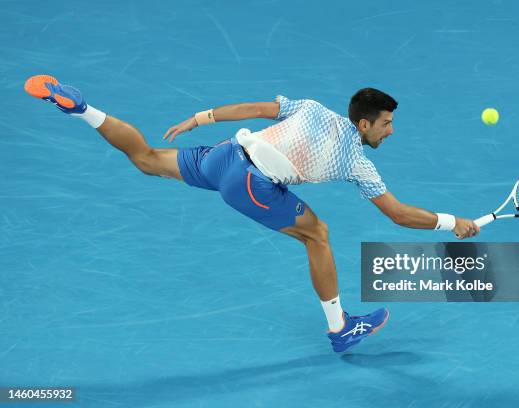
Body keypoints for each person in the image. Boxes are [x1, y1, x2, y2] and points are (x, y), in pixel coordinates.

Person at [24, 74, 479, 353]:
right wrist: (450, 221)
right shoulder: (357, 163)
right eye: (386, 123)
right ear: (364, 124)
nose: (391, 130)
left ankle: (82, 108)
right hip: (253, 185)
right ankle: (340, 328)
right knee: (317, 234)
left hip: (224, 156)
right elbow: (397, 215)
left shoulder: (312, 108)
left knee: (145, 158)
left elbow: (254, 109)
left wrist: (199, 119)